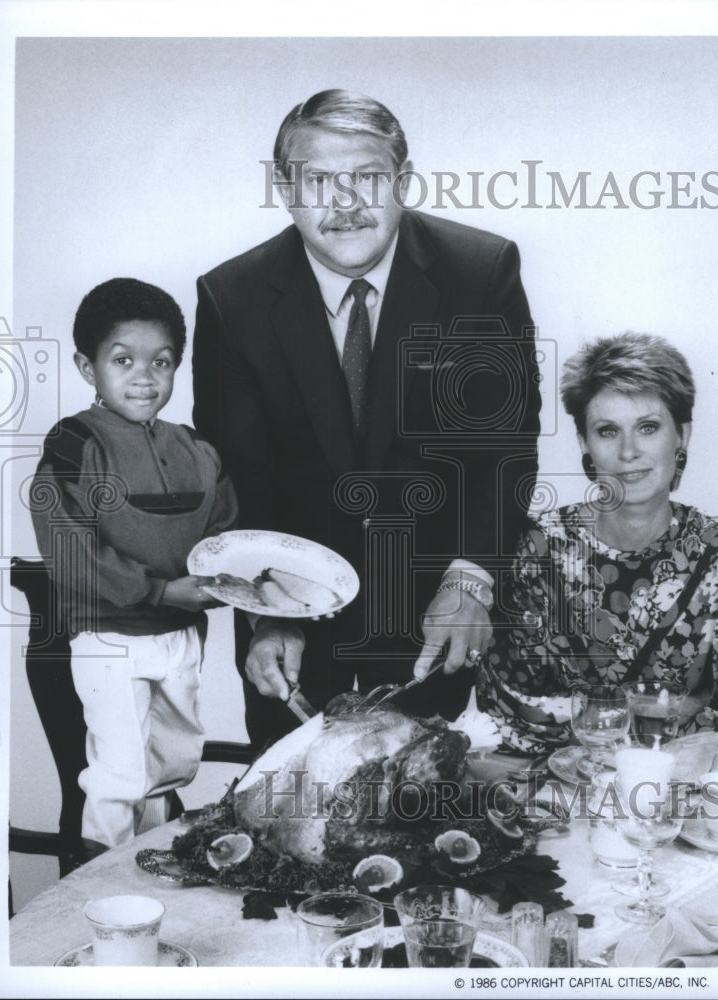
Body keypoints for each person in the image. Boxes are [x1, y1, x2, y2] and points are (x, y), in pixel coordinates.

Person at [192, 89, 541, 748]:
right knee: (286, 828)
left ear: (403, 182)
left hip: (439, 617)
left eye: (368, 179)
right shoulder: (230, 299)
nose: (345, 204)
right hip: (290, 629)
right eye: (320, 180)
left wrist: (471, 581)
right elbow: (239, 474)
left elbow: (504, 450)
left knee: (429, 820)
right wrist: (269, 611)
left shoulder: (481, 274)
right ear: (283, 186)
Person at [30, 278, 239, 853]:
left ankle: (154, 875)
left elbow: (224, 531)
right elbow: (68, 545)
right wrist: (160, 590)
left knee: (174, 763)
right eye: (123, 360)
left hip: (181, 638)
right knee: (120, 774)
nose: (145, 376)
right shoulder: (75, 442)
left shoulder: (198, 448)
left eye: (163, 362)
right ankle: (103, 901)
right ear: (86, 365)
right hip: (110, 637)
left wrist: (224, 581)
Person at [476, 332, 718, 752]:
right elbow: (511, 712)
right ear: (584, 444)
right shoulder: (537, 549)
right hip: (557, 794)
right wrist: (671, 715)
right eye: (608, 431)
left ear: (682, 434)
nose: (629, 451)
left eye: (648, 427)